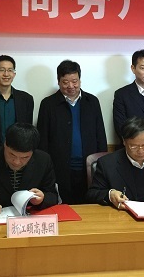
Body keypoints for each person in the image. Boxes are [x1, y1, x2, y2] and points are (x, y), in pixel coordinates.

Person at [37, 59, 107, 204]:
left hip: (88, 168)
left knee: (89, 207)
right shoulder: (48, 104)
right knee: (63, 207)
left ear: (80, 80)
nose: (71, 86)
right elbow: (42, 140)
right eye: (65, 82)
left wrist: (101, 164)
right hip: (59, 168)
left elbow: (100, 134)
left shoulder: (92, 101)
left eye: (74, 81)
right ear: (58, 81)